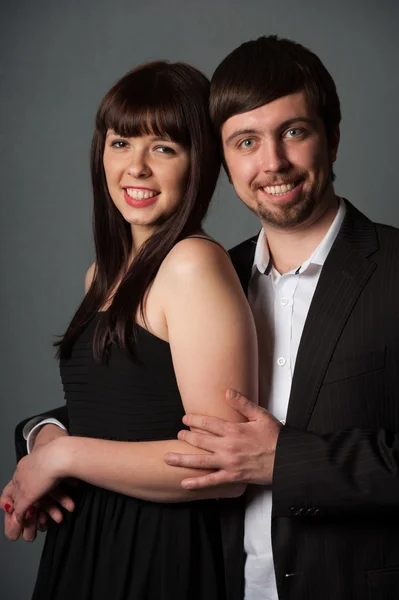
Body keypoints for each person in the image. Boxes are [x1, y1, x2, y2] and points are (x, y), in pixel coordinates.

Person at [4, 34, 399, 600]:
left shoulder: (391, 272)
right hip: (220, 573)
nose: (272, 163)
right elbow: (148, 403)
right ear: (224, 157)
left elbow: (220, 457)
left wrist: (286, 461)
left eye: (294, 131)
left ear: (332, 139)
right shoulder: (216, 270)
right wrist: (48, 434)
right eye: (245, 141)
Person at [0, 60, 258, 600]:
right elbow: (118, 410)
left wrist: (63, 458)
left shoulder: (192, 263)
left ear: (198, 164)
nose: (135, 167)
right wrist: (44, 438)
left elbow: (222, 466)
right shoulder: (101, 274)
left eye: (163, 148)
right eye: (121, 143)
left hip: (155, 551)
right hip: (86, 536)